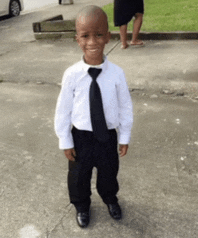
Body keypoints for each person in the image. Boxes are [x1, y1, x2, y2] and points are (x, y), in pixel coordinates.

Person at [54, 5, 133, 228]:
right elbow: (63, 109)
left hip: (107, 136)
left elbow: (125, 105)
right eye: (85, 36)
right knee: (78, 176)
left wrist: (124, 136)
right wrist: (65, 140)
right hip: (81, 136)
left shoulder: (117, 73)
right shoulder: (71, 75)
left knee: (109, 172)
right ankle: (81, 205)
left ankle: (110, 198)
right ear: (77, 39)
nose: (92, 42)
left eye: (99, 35)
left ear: (108, 37)